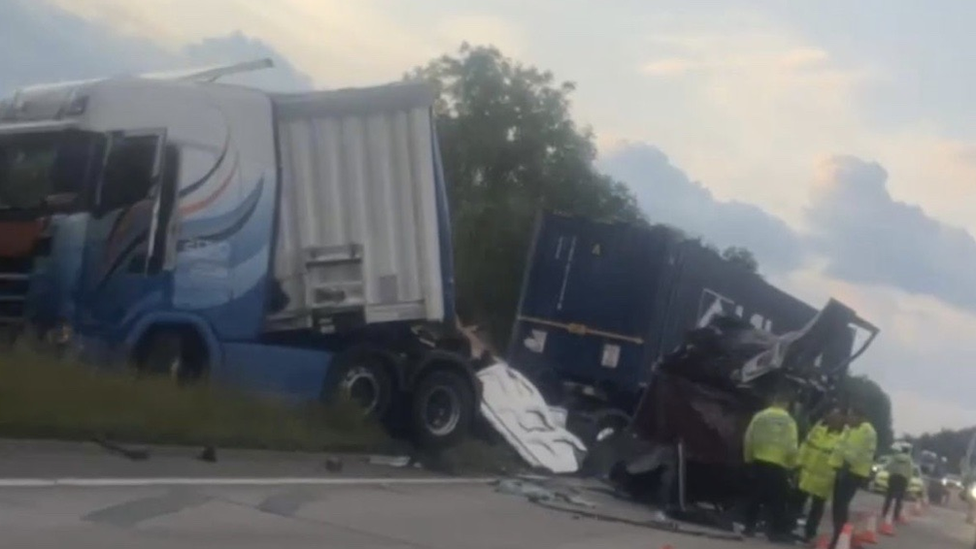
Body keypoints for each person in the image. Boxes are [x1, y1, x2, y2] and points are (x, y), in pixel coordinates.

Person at [742, 386, 799, 541]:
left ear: (774, 400)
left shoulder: (760, 416)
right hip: (778, 466)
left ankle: (749, 527)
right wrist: (792, 465)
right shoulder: (789, 421)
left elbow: (749, 438)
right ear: (786, 403)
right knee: (777, 501)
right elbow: (792, 446)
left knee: (755, 497)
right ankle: (774, 531)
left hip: (759, 461)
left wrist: (748, 459)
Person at [828, 404, 878, 549]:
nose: (848, 418)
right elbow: (842, 447)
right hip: (844, 470)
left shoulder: (864, 430)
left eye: (851, 415)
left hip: (851, 472)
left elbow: (852, 452)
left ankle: (839, 537)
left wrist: (843, 468)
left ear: (860, 417)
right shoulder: (852, 428)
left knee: (840, 506)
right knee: (838, 506)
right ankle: (840, 536)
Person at [794, 407, 846, 542]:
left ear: (842, 421)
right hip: (807, 473)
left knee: (816, 508)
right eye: (831, 416)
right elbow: (805, 446)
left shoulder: (843, 438)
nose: (832, 420)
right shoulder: (818, 430)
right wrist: (798, 464)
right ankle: (789, 527)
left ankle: (809, 534)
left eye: (836, 418)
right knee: (797, 503)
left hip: (824, 479)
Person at [882, 446, 914, 523]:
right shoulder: (909, 460)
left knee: (889, 496)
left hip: (893, 478)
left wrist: (891, 472)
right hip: (902, 480)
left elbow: (887, 466)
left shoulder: (895, 457)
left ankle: (884, 512)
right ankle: (896, 515)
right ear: (908, 452)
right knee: (899, 499)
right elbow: (910, 472)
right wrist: (908, 482)